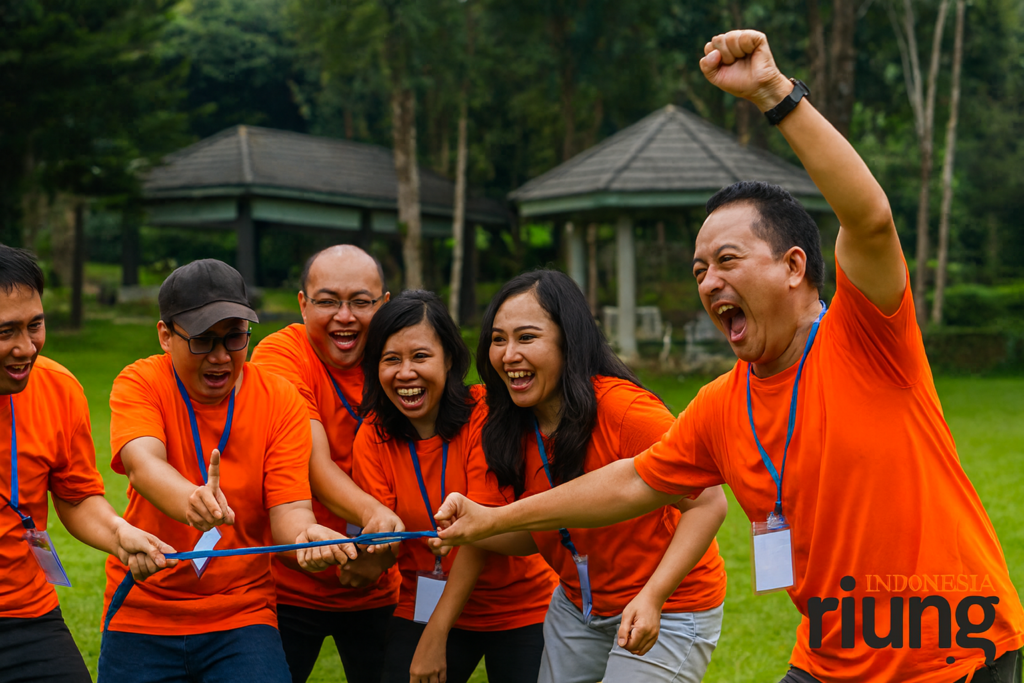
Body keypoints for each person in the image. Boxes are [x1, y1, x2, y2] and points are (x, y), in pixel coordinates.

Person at [434, 30, 1024, 683]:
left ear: (795, 266)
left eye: (727, 261)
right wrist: (494, 516)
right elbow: (632, 480)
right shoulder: (723, 403)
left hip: (950, 649)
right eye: (698, 269)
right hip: (830, 655)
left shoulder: (865, 339)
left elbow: (872, 220)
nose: (709, 281)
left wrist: (776, 93)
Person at [462, 268, 728, 683]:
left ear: (569, 342)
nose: (508, 354)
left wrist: (653, 597)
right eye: (498, 339)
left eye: (526, 337)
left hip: (670, 604)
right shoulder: (510, 423)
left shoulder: (624, 410)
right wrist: (468, 528)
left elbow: (709, 503)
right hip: (577, 608)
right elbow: (538, 531)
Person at [98, 259, 357, 683]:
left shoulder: (279, 399)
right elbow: (143, 464)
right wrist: (190, 500)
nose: (220, 357)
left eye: (235, 337)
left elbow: (290, 511)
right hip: (144, 608)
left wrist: (305, 540)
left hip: (241, 612)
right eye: (203, 341)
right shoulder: (141, 381)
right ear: (165, 335)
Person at [353, 290, 557, 683]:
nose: (406, 373)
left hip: (518, 604)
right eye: (390, 359)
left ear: (449, 358)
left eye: (420, 356)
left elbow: (478, 537)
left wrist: (435, 635)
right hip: (421, 600)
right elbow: (387, 546)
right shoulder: (373, 435)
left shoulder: (486, 414)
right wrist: (360, 557)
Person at [0, 245, 177, 682]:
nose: (26, 348)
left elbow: (77, 497)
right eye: (6, 332)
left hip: (25, 612)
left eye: (35, 326)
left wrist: (121, 534)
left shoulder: (59, 389)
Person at [250, 245, 403, 683]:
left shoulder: (401, 360)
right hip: (291, 580)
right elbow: (310, 461)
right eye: (328, 301)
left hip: (380, 581)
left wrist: (385, 552)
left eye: (361, 301)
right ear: (302, 304)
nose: (345, 316)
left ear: (385, 304)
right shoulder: (281, 354)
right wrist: (374, 516)